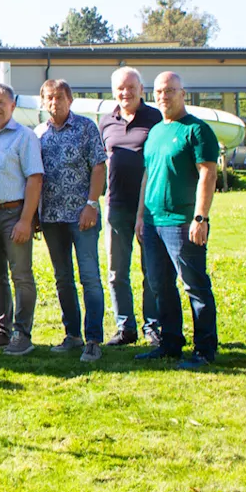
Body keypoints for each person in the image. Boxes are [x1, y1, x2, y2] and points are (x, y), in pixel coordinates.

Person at [135, 71, 220, 369]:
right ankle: (170, 344)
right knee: (160, 285)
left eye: (170, 90)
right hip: (154, 222)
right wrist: (140, 217)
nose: (164, 96)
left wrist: (201, 217)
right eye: (159, 91)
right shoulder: (156, 131)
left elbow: (208, 173)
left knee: (194, 285)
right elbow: (148, 175)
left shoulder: (197, 130)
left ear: (183, 93)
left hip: (183, 222)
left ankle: (205, 350)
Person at [36, 79, 108, 363]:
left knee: (89, 277)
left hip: (82, 217)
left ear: (70, 99)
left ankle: (93, 339)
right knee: (63, 278)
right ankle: (72, 335)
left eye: (60, 97)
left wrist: (91, 204)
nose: (54, 103)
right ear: (43, 102)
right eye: (49, 98)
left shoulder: (86, 128)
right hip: (52, 218)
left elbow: (99, 166)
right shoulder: (38, 133)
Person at [0, 83, 44, 356]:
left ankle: (22, 334)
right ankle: (1, 332)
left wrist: (26, 220)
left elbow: (35, 178)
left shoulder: (24, 137)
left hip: (15, 213)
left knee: (21, 275)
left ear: (13, 106)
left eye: (1, 102)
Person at [98, 67, 164, 347]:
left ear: (141, 89)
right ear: (114, 91)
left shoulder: (155, 118)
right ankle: (125, 327)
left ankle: (153, 326)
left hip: (149, 207)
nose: (125, 93)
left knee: (151, 269)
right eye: (120, 88)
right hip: (116, 206)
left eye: (131, 87)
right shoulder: (105, 122)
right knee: (116, 271)